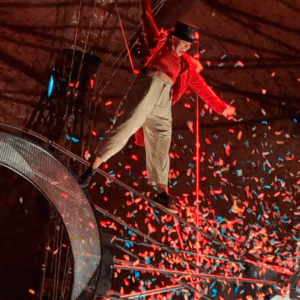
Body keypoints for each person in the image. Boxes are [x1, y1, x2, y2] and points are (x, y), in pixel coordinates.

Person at [79, 0, 236, 213]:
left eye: (188, 46)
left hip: (164, 99)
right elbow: (147, 21)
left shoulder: (187, 65)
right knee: (128, 125)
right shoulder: (159, 43)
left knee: (162, 139)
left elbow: (203, 89)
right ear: (174, 38)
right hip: (150, 85)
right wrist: (146, 4)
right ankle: (91, 168)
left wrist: (222, 107)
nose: (185, 48)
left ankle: (162, 192)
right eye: (183, 43)